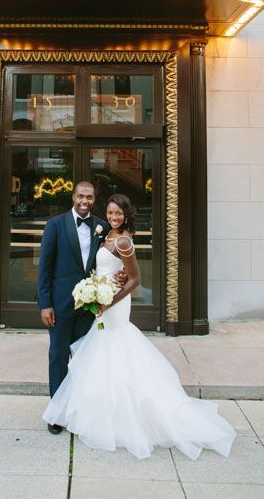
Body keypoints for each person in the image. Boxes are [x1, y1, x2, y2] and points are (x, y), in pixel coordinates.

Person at [42, 193, 236, 460]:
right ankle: (100, 413)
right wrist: (98, 291)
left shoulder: (123, 240)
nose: (113, 217)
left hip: (114, 305)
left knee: (115, 351)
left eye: (118, 214)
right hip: (100, 299)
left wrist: (109, 301)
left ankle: (125, 418)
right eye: (110, 213)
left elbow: (134, 279)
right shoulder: (104, 233)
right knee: (98, 354)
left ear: (126, 215)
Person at [37, 180, 110, 426]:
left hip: (88, 306)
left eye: (89, 197)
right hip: (59, 304)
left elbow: (108, 260)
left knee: (83, 357)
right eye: (80, 196)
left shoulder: (102, 226)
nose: (84, 201)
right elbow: (44, 268)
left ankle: (80, 410)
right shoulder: (55, 225)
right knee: (58, 356)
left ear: (94, 198)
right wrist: (45, 303)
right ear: (73, 197)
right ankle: (57, 414)